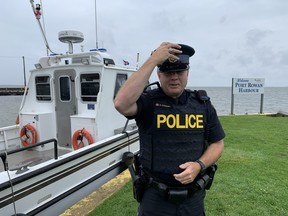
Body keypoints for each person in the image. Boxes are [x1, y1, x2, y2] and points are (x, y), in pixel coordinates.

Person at [114, 42, 225, 216]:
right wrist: (152, 60)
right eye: (167, 71)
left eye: (179, 71)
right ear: (159, 74)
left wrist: (199, 165)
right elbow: (121, 104)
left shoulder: (202, 103)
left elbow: (217, 143)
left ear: (187, 72)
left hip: (193, 197)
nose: (174, 77)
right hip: (155, 197)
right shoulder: (148, 102)